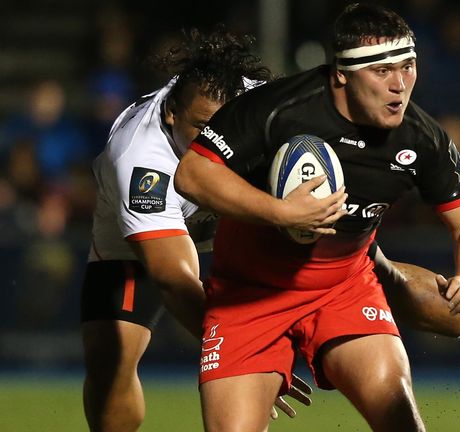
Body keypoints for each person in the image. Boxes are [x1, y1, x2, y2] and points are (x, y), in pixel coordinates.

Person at [174, 3, 460, 430]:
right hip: (249, 295)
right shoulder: (276, 109)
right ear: (342, 74)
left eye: (407, 67)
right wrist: (281, 212)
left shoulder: (420, 136)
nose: (399, 85)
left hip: (343, 289)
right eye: (382, 71)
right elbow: (193, 174)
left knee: (400, 421)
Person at [80, 28, 313, 432]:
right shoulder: (139, 162)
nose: (215, 143)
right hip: (135, 238)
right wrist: (244, 353)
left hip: (236, 218)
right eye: (201, 128)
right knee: (109, 359)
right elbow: (175, 281)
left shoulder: (261, 103)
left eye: (223, 129)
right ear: (171, 112)